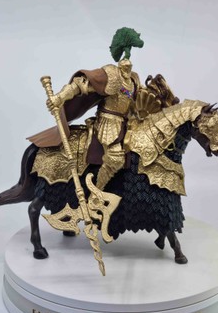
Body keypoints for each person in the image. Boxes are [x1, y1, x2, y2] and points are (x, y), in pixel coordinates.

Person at [28, 28, 144, 192]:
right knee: (115, 158)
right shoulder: (111, 73)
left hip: (128, 123)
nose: (127, 65)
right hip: (108, 122)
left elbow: (139, 99)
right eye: (125, 64)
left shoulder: (134, 78)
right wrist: (59, 98)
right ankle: (97, 192)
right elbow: (83, 83)